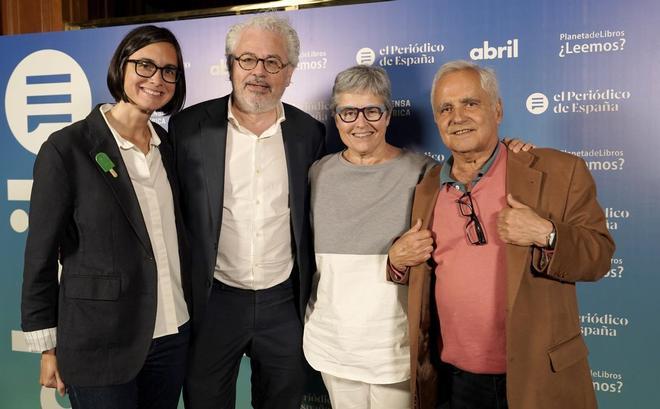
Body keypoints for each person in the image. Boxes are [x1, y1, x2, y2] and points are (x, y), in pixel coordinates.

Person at [388, 60, 615, 409]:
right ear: (436, 120)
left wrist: (548, 234)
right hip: (455, 380)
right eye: (445, 108)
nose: (457, 116)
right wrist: (397, 261)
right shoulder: (427, 187)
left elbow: (599, 256)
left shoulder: (558, 171)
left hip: (538, 377)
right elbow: (423, 269)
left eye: (470, 103)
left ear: (497, 109)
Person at [21, 25, 191, 409]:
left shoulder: (168, 152)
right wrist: (47, 347)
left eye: (169, 71)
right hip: (100, 341)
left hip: (171, 333)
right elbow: (40, 255)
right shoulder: (68, 149)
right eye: (145, 65)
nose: (157, 79)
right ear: (121, 66)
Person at [168, 14, 325, 409]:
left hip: (283, 302)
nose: (259, 72)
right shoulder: (188, 127)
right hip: (213, 299)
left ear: (290, 73)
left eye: (273, 62)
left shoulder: (309, 133)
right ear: (229, 65)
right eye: (248, 59)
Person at [303, 65, 437, 408]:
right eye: (349, 112)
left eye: (372, 111)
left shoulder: (422, 171)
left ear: (388, 115)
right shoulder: (319, 173)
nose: (360, 123)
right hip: (333, 340)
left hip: (392, 345)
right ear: (336, 117)